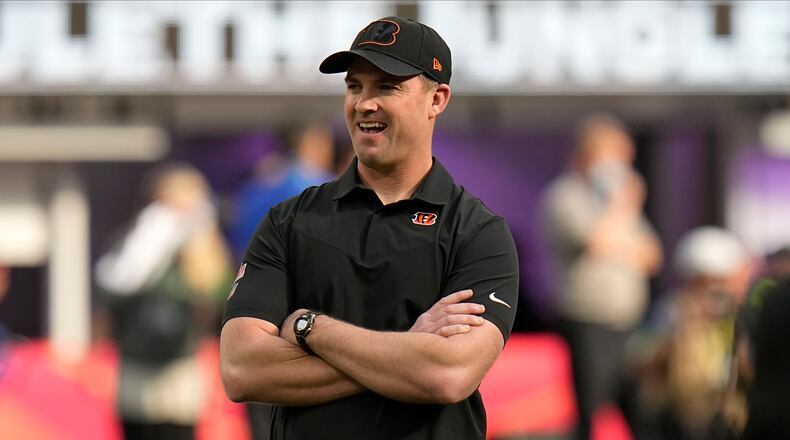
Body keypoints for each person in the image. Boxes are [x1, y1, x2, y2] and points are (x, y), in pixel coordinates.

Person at [220, 16, 519, 440]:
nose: (363, 103)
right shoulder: (290, 221)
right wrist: (408, 352)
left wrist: (309, 326)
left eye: (386, 86)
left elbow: (448, 374)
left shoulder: (477, 232)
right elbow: (241, 370)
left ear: (437, 99)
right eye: (354, 86)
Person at [541, 114, 663, 440]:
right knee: (589, 411)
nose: (621, 167)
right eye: (613, 156)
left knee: (639, 409)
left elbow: (652, 256)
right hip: (588, 320)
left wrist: (621, 230)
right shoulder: (568, 195)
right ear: (586, 156)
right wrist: (622, 206)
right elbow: (597, 241)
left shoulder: (620, 208)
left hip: (629, 321)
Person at [96, 163, 233, 440]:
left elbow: (218, 294)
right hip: (136, 365)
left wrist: (198, 247)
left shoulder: (204, 246)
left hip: (180, 368)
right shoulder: (131, 241)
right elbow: (111, 291)